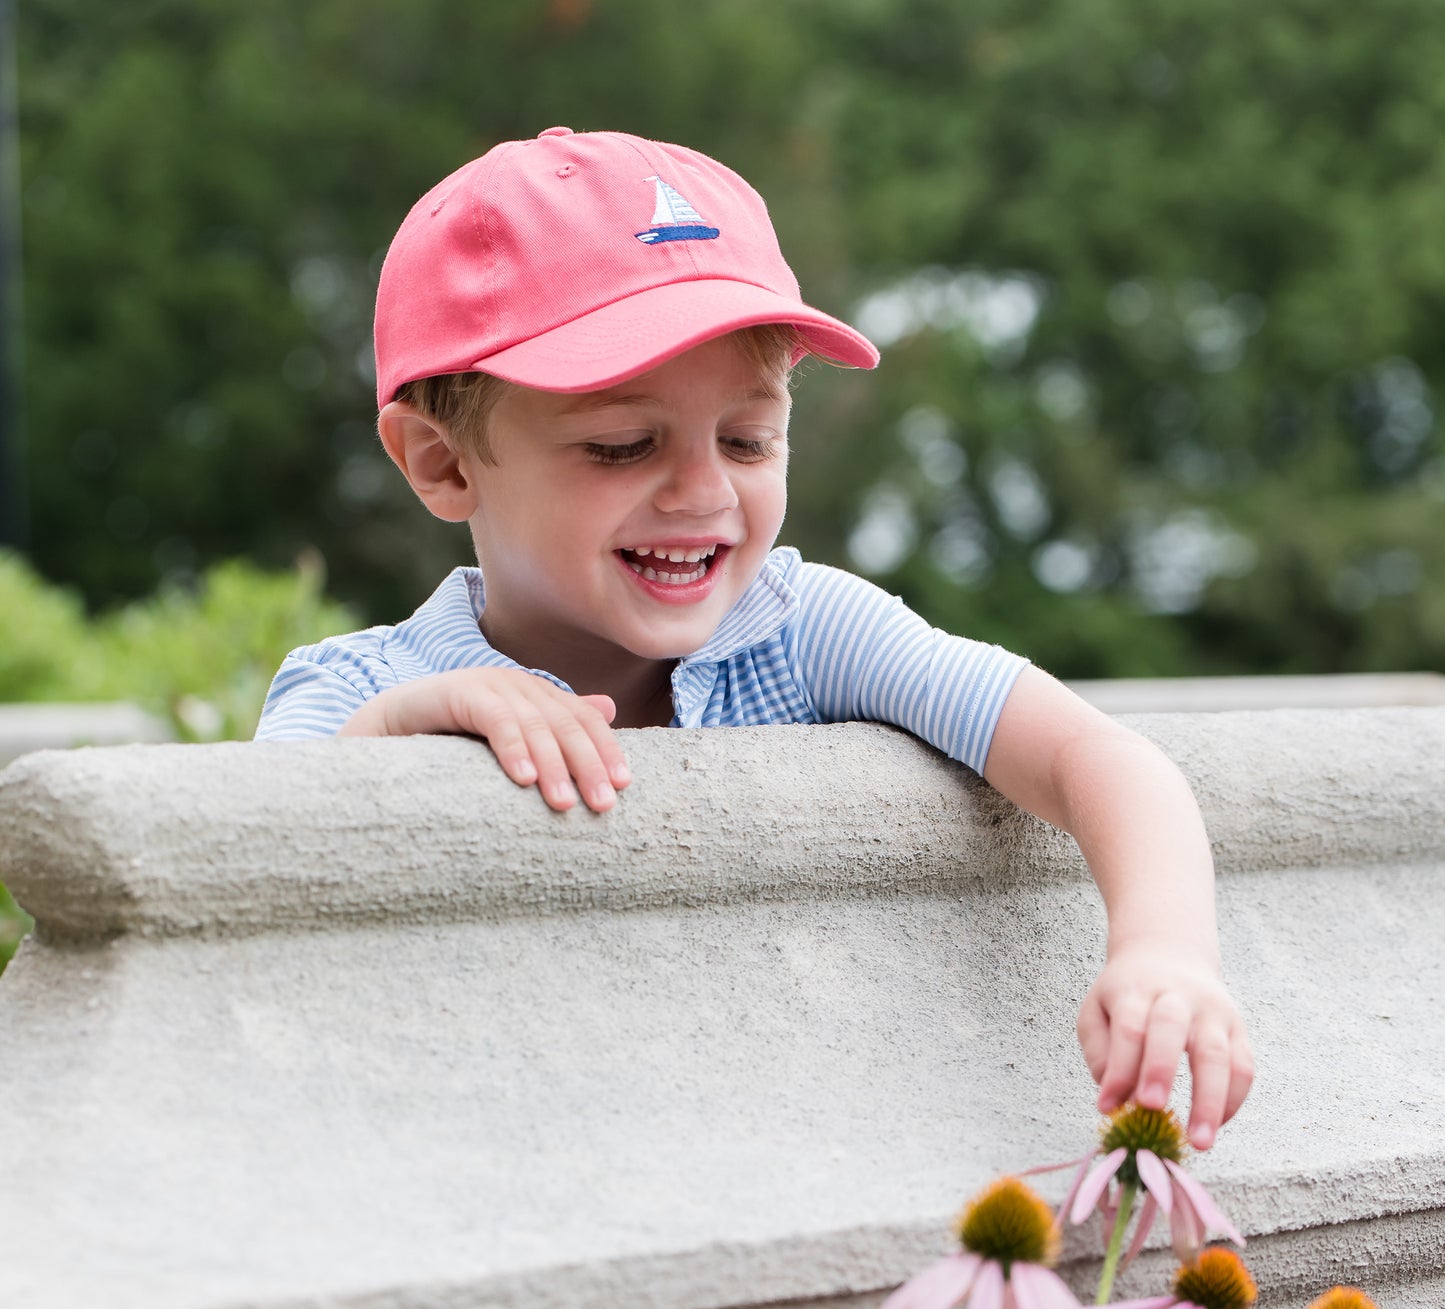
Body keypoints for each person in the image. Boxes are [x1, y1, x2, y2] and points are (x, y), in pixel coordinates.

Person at [257, 127, 1253, 1149]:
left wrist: (1162, 949)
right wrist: (407, 724)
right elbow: (244, 875)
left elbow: (1097, 753)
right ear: (442, 461)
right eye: (621, 444)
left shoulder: (800, 627)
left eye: (747, 438)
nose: (702, 491)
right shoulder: (355, 689)